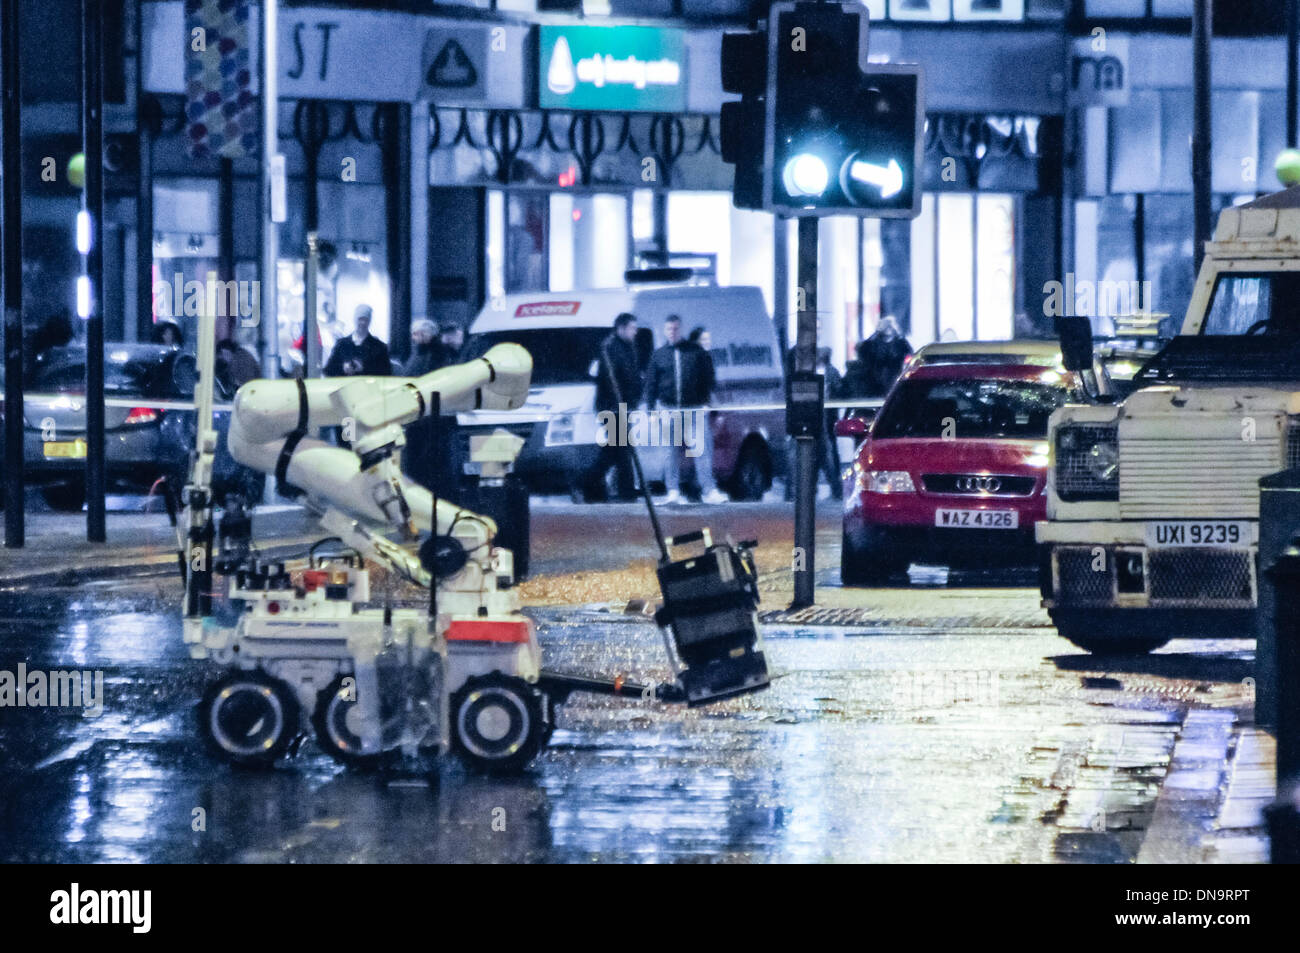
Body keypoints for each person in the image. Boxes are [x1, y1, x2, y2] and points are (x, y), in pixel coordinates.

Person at [644, 316, 726, 505]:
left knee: (701, 451)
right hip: (668, 409)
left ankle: (709, 490)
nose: (672, 332)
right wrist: (650, 410)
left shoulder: (696, 352)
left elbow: (708, 377)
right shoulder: (659, 355)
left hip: (694, 409)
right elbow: (651, 384)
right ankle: (672, 491)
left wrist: (706, 402)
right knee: (669, 452)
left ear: (681, 329)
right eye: (669, 329)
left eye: (675, 329)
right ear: (665, 331)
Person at [581, 312, 642, 503]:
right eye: (632, 328)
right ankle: (625, 491)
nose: (635, 331)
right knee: (622, 449)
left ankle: (587, 482)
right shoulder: (609, 348)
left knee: (615, 449)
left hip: (622, 405)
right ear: (621, 328)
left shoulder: (626, 347)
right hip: (613, 407)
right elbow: (612, 379)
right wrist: (620, 404)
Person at [845, 315, 912, 398]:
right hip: (875, 379)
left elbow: (909, 355)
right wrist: (875, 333)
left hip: (895, 377)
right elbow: (862, 351)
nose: (889, 329)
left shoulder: (901, 343)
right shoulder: (872, 343)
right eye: (886, 326)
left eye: (891, 326)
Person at [324, 304, 391, 377]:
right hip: (345, 387)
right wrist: (343, 367)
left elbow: (386, 373)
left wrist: (364, 368)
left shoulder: (379, 347)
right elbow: (328, 370)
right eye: (360, 319)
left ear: (370, 321)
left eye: (366, 319)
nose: (363, 322)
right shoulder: (341, 345)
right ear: (355, 320)